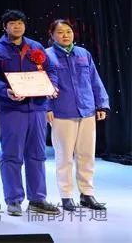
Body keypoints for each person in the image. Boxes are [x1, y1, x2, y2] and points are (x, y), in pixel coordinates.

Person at [0, 9, 60, 217]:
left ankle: (37, 199)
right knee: (11, 155)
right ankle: (14, 200)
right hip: (11, 109)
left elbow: (51, 70)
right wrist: (5, 91)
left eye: (20, 23)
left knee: (37, 155)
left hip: (37, 107)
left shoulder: (36, 46)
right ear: (4, 26)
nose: (17, 27)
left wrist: (52, 85)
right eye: (12, 23)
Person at [45, 19, 109, 212]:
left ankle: (87, 194)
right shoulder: (46, 56)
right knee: (64, 156)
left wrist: (101, 104)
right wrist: (47, 107)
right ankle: (66, 195)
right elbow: (43, 84)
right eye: (60, 32)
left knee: (87, 155)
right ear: (52, 35)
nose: (65, 35)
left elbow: (94, 80)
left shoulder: (83, 53)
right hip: (62, 112)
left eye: (68, 31)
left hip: (87, 110)